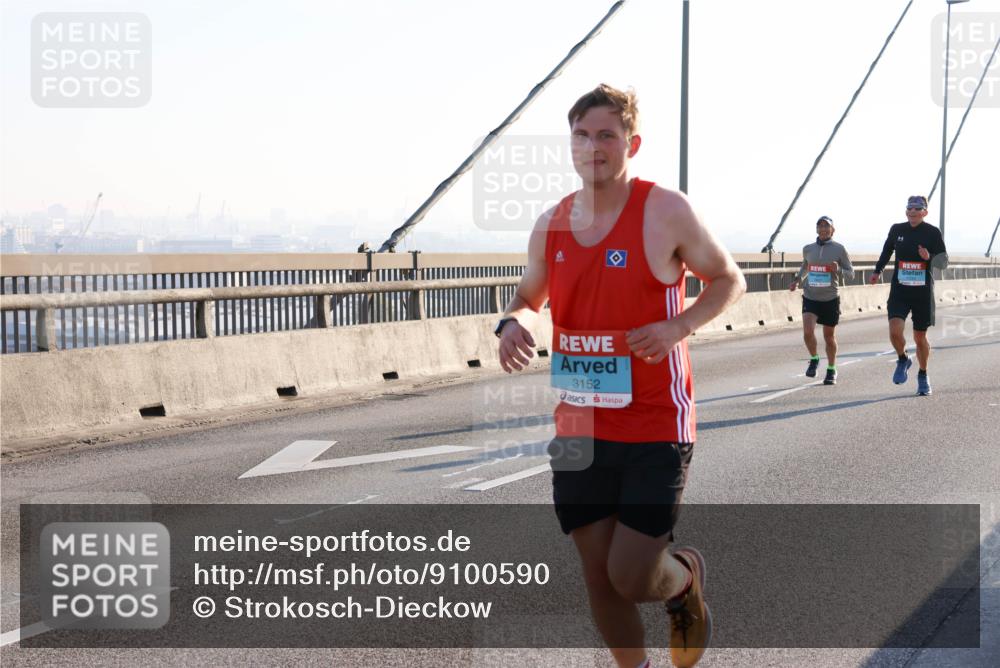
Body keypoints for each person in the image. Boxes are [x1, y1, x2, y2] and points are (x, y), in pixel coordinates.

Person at [495, 84, 745, 668]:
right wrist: (511, 322)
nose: (593, 147)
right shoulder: (552, 222)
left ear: (631, 142)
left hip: (655, 421)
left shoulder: (664, 210)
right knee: (598, 577)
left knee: (631, 576)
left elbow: (727, 279)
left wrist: (676, 326)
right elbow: (531, 295)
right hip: (581, 423)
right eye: (581, 135)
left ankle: (681, 581)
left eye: (606, 135)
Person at [868, 195, 948, 396]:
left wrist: (929, 257)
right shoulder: (897, 229)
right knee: (895, 330)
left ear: (925, 212)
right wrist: (877, 271)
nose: (912, 211)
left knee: (920, 337)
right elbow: (886, 251)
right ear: (906, 211)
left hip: (922, 292)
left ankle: (923, 374)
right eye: (909, 208)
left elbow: (943, 262)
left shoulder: (932, 232)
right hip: (900, 290)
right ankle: (903, 358)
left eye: (917, 208)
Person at [789, 216, 854, 385]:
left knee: (829, 336)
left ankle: (831, 369)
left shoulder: (839, 249)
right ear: (816, 229)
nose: (824, 229)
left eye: (827, 226)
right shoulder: (808, 249)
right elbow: (805, 266)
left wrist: (838, 269)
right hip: (811, 297)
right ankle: (814, 358)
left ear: (833, 230)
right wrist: (797, 280)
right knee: (808, 332)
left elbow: (851, 273)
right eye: (820, 226)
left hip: (830, 298)